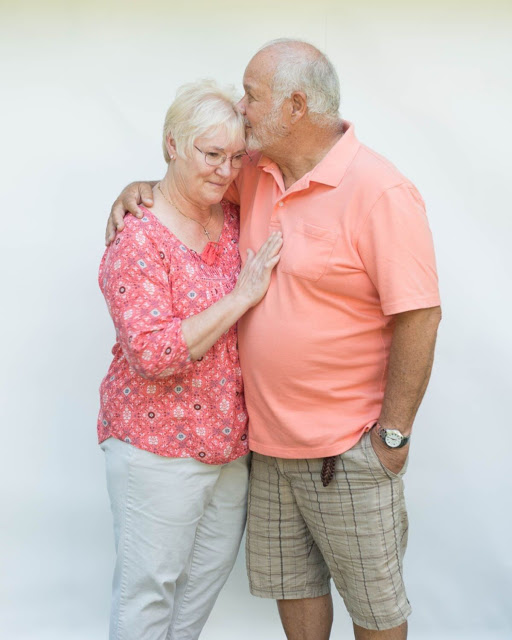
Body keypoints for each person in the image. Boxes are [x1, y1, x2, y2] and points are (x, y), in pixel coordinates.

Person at [106, 40, 442, 640]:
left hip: (347, 449)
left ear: (294, 106)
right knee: (295, 591)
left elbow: (419, 315)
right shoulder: (254, 174)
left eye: (252, 95)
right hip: (264, 449)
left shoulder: (380, 192)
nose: (242, 107)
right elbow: (188, 185)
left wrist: (392, 437)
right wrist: (138, 187)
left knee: (375, 609)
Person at [98, 79, 282, 640]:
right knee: (148, 594)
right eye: (211, 154)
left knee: (200, 589)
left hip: (228, 447)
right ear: (172, 144)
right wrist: (241, 297)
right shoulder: (138, 237)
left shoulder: (229, 216)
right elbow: (152, 352)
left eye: (235, 157)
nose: (226, 171)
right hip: (157, 448)